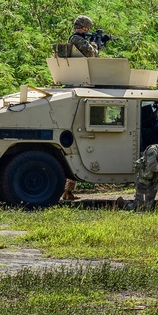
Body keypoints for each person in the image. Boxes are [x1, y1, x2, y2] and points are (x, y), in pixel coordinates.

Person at [62, 14, 99, 201]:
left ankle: (68, 191)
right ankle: (66, 190)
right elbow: (92, 54)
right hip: (80, 85)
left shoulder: (78, 39)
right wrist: (97, 45)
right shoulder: (77, 39)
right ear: (84, 27)